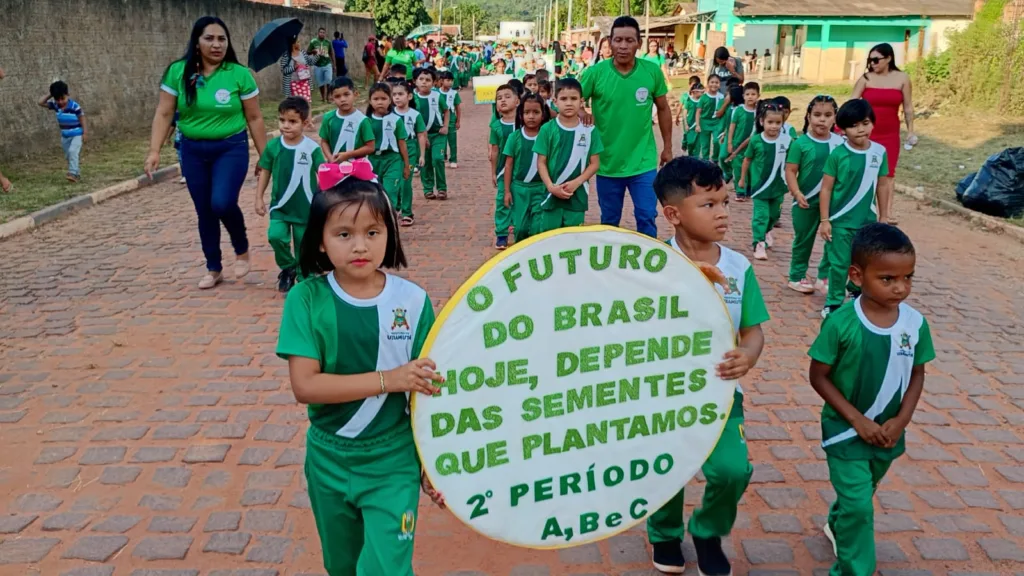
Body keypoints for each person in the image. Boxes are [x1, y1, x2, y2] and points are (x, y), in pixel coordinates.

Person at [278, 160, 446, 576]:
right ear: (319, 241)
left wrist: (434, 461)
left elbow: (428, 387)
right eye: (344, 234)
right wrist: (389, 379)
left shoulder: (413, 300)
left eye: (373, 233)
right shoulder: (305, 299)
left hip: (393, 459)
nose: (360, 246)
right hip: (328, 458)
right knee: (342, 566)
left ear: (390, 234)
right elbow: (305, 385)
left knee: (386, 568)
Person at [650, 156, 766, 576]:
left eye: (725, 202)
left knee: (733, 469)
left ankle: (707, 530)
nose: (722, 213)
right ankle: (664, 532)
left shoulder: (738, 267)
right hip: (660, 391)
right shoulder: (651, 265)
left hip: (719, 393)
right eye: (709, 204)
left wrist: (748, 355)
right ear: (673, 214)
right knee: (664, 466)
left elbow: (753, 330)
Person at [808, 222, 933, 576]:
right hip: (845, 431)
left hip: (888, 433)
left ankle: (837, 522)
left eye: (908, 278)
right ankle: (853, 570)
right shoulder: (841, 323)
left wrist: (902, 420)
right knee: (861, 506)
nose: (900, 288)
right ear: (857, 276)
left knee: (861, 495)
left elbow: (918, 373)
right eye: (888, 278)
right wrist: (856, 420)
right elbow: (819, 376)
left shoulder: (915, 323)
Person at [145, 16, 267, 290]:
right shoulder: (177, 72)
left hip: (230, 148)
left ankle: (241, 246)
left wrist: (265, 155)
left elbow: (255, 117)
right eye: (209, 38)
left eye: (222, 39)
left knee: (221, 202)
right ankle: (213, 268)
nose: (216, 44)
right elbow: (164, 112)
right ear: (196, 42)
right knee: (204, 210)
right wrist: (154, 150)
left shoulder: (239, 74)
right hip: (192, 150)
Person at [580, 16, 672, 238]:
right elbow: (570, 101)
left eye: (629, 40)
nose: (623, 46)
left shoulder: (651, 71)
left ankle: (648, 268)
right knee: (610, 220)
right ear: (609, 42)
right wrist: (583, 112)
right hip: (606, 163)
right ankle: (610, 267)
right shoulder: (595, 73)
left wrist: (667, 146)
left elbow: (663, 108)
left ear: (639, 43)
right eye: (618, 40)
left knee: (646, 215)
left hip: (643, 161)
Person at [819, 99, 890, 319]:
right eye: (853, 125)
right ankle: (833, 302)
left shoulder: (879, 152)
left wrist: (884, 215)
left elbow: (883, 184)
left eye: (866, 123)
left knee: (864, 262)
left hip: (867, 222)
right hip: (840, 221)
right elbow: (827, 189)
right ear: (843, 129)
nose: (861, 129)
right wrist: (825, 220)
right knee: (839, 263)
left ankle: (857, 291)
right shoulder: (838, 155)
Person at [255, 97, 325, 293]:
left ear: (304, 123)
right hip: (280, 207)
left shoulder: (311, 148)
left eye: (292, 121)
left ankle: (305, 280)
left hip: (306, 208)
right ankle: (287, 267)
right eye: (282, 120)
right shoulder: (273, 146)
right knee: (275, 236)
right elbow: (265, 171)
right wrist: (258, 197)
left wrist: (329, 198)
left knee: (304, 246)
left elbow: (323, 173)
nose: (286, 126)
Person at [785, 95, 842, 295]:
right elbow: (791, 170)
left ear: (835, 118)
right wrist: (796, 192)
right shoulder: (800, 143)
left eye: (828, 115)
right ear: (808, 117)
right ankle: (796, 275)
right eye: (817, 115)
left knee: (833, 238)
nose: (822, 120)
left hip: (834, 203)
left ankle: (823, 276)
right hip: (805, 201)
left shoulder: (840, 143)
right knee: (804, 239)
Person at [852, 42, 914, 225]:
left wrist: (911, 131)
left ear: (888, 59)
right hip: (866, 132)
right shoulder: (865, 79)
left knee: (887, 173)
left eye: (876, 60)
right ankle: (860, 207)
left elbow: (908, 107)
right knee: (863, 169)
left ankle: (886, 214)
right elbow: (852, 104)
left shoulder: (902, 78)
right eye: (870, 60)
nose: (872, 64)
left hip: (890, 132)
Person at [534, 78, 603, 235]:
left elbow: (595, 164)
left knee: (574, 240)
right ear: (555, 101)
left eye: (574, 98)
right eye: (564, 99)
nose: (569, 103)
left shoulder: (590, 131)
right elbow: (541, 162)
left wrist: (576, 183)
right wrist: (551, 187)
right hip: (551, 194)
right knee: (548, 239)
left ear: (582, 102)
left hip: (577, 194)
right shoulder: (547, 129)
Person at [741, 100, 791, 261]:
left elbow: (792, 163)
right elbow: (747, 160)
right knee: (761, 215)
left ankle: (768, 230)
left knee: (773, 215)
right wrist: (742, 179)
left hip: (779, 186)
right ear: (762, 122)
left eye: (778, 122)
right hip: (760, 186)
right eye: (770, 122)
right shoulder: (756, 140)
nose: (774, 126)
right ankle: (758, 243)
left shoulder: (787, 140)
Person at [502, 93, 551, 244]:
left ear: (543, 115)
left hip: (540, 188)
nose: (531, 116)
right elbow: (508, 165)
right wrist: (507, 191)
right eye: (527, 112)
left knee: (538, 226)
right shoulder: (514, 137)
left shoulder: (548, 136)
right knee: (521, 228)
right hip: (519, 189)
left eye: (536, 112)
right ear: (521, 114)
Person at [365, 83, 410, 216]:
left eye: (383, 99)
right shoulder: (366, 121)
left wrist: (406, 165)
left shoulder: (396, 120)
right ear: (370, 101)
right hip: (373, 160)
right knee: (375, 193)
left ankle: (390, 218)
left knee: (390, 191)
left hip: (393, 159)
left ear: (390, 100)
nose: (380, 102)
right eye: (376, 99)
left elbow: (402, 143)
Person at [489, 84, 520, 249]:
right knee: (503, 200)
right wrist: (493, 172)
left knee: (521, 200)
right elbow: (494, 150)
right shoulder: (495, 126)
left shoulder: (526, 122)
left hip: (523, 170)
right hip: (503, 170)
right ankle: (501, 233)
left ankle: (518, 227)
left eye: (507, 96)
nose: (503, 100)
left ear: (517, 101)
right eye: (499, 98)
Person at [413, 67, 450, 201]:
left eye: (428, 80)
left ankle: (442, 188)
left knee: (438, 159)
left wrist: (445, 126)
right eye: (421, 79)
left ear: (434, 82)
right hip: (421, 136)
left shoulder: (437, 96)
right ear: (415, 81)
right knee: (425, 162)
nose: (424, 82)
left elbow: (446, 111)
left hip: (438, 134)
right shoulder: (413, 98)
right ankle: (428, 188)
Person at [392, 81, 426, 226]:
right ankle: (395, 206)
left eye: (400, 94)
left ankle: (407, 212)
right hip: (393, 150)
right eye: (394, 95)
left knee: (406, 181)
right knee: (395, 181)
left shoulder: (415, 115)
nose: (397, 98)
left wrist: (422, 155)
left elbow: (420, 135)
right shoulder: (389, 114)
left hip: (410, 148)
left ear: (409, 96)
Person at [38, 80, 87, 183]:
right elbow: (40, 102)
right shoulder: (56, 106)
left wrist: (84, 132)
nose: (60, 102)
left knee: (73, 151)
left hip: (76, 134)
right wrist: (50, 94)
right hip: (65, 136)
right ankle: (76, 174)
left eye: (62, 98)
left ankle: (72, 172)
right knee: (69, 155)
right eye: (57, 99)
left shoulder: (74, 106)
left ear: (67, 95)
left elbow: (82, 118)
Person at [320, 77, 375, 164]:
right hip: (335, 167)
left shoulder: (363, 120)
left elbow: (370, 147)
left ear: (355, 94)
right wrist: (330, 157)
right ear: (332, 98)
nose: (342, 99)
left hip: (358, 168)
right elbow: (324, 141)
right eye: (337, 96)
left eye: (346, 94)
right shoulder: (328, 118)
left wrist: (348, 155)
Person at [724, 82, 759, 199]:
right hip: (737, 145)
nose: (750, 97)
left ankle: (749, 188)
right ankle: (740, 191)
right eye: (747, 94)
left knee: (750, 168)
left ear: (758, 96)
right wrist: (729, 142)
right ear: (743, 96)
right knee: (738, 168)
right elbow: (732, 127)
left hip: (752, 145)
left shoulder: (758, 112)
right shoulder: (738, 110)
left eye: (753, 94)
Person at [694, 75, 725, 161]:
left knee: (716, 141)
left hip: (717, 123)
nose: (714, 84)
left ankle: (715, 159)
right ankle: (705, 160)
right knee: (705, 144)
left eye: (716, 82)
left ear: (719, 84)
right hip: (704, 123)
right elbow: (698, 111)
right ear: (708, 84)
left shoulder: (721, 97)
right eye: (712, 82)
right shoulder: (703, 97)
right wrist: (697, 125)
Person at [280, 36, 317, 101]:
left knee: (307, 102)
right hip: (292, 84)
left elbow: (310, 62)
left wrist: (317, 55)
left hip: (304, 82)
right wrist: (294, 67)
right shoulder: (286, 55)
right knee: (295, 104)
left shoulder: (302, 52)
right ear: (292, 44)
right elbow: (283, 70)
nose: (299, 43)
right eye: (298, 42)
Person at [437, 71, 461, 169]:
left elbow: (458, 108)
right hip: (439, 119)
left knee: (452, 141)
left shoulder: (454, 93)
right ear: (442, 81)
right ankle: (442, 156)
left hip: (451, 118)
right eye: (448, 80)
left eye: (451, 81)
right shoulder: (436, 92)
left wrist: (458, 120)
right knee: (441, 140)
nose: (450, 83)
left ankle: (453, 159)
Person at [676, 82, 703, 156]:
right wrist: (686, 124)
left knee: (698, 144)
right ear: (694, 92)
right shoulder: (689, 101)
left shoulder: (702, 101)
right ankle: (687, 147)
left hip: (698, 125)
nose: (702, 93)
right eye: (701, 91)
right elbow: (685, 113)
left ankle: (695, 159)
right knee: (690, 142)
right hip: (689, 124)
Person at [309, 27, 335, 102]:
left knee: (328, 80)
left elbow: (331, 53)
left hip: (327, 64)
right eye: (321, 32)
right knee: (320, 83)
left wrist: (334, 64)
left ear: (325, 34)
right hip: (317, 65)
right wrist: (313, 51)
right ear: (318, 33)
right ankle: (323, 97)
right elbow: (308, 52)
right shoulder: (313, 41)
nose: (322, 34)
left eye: (323, 32)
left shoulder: (328, 42)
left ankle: (328, 96)